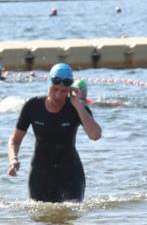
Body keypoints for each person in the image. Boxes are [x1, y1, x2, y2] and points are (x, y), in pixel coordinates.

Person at [7, 63, 102, 202]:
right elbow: (14, 140)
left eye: (63, 91)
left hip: (71, 173)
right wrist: (13, 159)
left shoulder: (76, 107)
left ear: (70, 89)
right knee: (42, 220)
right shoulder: (33, 106)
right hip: (40, 175)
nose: (58, 95)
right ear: (48, 83)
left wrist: (78, 105)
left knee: (71, 216)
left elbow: (95, 135)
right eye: (55, 89)